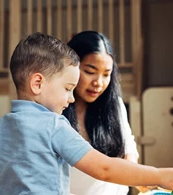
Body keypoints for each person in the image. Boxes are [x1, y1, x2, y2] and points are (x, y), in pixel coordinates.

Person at [0, 32, 173, 195]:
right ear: (37, 83)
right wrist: (159, 175)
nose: (71, 97)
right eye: (67, 88)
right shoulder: (54, 125)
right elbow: (104, 168)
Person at [63, 30, 153, 195]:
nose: (98, 83)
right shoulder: (55, 109)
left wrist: (139, 178)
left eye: (106, 74)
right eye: (90, 72)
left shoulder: (114, 106)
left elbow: (128, 151)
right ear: (71, 67)